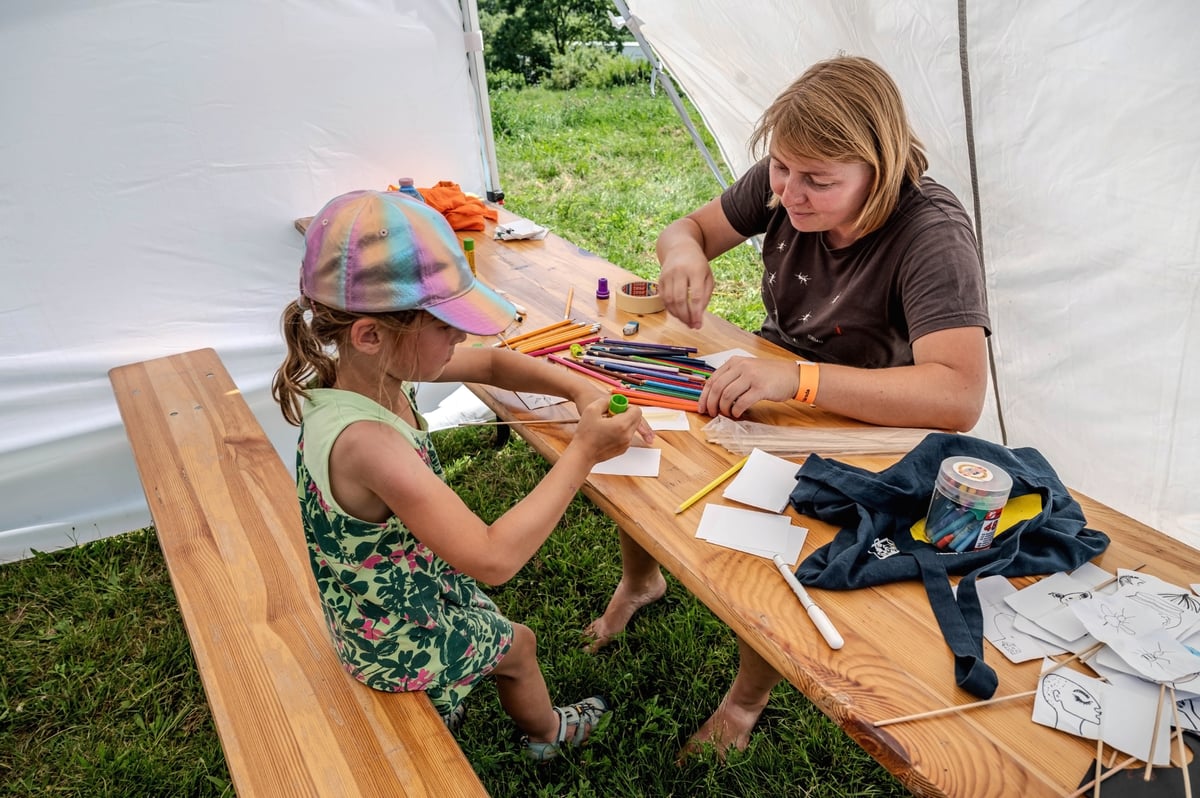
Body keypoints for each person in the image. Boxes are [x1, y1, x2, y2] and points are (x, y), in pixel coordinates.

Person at [584, 55, 992, 757]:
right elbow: (689, 229)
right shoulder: (787, 175)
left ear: (878, 169)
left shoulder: (931, 233)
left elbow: (957, 395)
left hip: (864, 419)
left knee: (774, 539)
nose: (789, 194)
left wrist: (798, 380)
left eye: (818, 182)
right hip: (777, 377)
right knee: (647, 442)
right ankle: (640, 581)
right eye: (780, 169)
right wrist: (682, 254)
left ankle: (746, 700)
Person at [271, 189, 652, 760]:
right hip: (387, 635)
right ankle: (548, 735)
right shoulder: (368, 443)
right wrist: (583, 453)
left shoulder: (366, 374)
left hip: (385, 594)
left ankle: (449, 693)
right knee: (519, 645)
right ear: (371, 334)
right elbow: (493, 559)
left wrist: (579, 387)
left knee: (482, 617)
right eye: (447, 325)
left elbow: (494, 362)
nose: (461, 337)